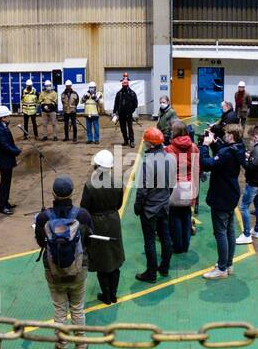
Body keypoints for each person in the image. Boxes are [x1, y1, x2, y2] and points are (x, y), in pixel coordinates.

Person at [34, 175, 94, 349]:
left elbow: (40, 241)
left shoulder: (44, 217)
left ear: (53, 193)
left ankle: (61, 348)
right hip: (78, 268)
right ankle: (81, 344)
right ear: (71, 193)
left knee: (60, 309)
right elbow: (89, 238)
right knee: (77, 307)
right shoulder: (82, 215)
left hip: (53, 270)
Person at [200, 124, 245, 279]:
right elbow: (223, 152)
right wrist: (213, 142)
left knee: (220, 233)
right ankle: (228, 264)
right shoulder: (238, 148)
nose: (224, 135)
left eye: (226, 134)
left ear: (231, 136)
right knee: (229, 231)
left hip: (221, 196)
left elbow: (207, 163)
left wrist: (204, 146)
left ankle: (221, 268)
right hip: (231, 194)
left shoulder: (227, 153)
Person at [81, 149, 124, 304]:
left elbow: (84, 209)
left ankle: (105, 295)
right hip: (113, 221)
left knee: (101, 260)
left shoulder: (90, 185)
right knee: (115, 258)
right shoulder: (118, 183)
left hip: (97, 223)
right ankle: (113, 294)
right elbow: (119, 204)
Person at [134, 127, 175, 282]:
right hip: (164, 206)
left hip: (149, 210)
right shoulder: (170, 158)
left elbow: (142, 190)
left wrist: (138, 207)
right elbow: (172, 184)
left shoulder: (148, 162)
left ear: (150, 144)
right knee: (166, 237)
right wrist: (165, 198)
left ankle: (151, 273)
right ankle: (164, 267)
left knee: (149, 241)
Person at [166, 123, 199, 254]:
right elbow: (197, 169)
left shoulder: (169, 149)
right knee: (186, 215)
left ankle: (177, 246)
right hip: (189, 185)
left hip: (175, 186)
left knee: (174, 217)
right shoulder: (194, 147)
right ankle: (185, 245)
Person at [236, 125, 258, 245]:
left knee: (244, 207)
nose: (250, 141)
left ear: (256, 137)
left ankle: (246, 234)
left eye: (251, 138)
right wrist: (250, 157)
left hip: (254, 182)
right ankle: (257, 230)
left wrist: (244, 160)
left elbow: (251, 167)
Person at [0, 105, 21, 215]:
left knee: (7, 182)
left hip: (6, 160)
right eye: (7, 116)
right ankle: (2, 206)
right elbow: (5, 145)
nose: (9, 118)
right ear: (2, 118)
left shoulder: (2, 126)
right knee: (4, 184)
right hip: (3, 161)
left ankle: (6, 202)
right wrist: (16, 151)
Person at [113, 75, 138, 147]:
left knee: (130, 128)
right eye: (123, 83)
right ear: (121, 84)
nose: (124, 84)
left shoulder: (132, 93)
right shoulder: (119, 93)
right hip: (121, 114)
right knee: (123, 128)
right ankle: (126, 140)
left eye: (125, 83)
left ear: (128, 84)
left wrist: (131, 111)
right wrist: (114, 112)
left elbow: (135, 104)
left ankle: (132, 141)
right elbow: (116, 104)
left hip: (129, 114)